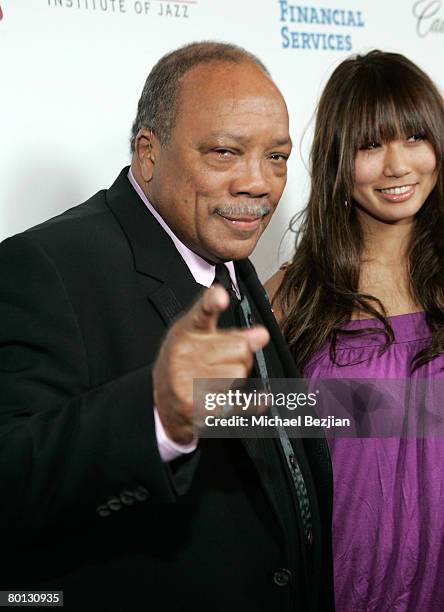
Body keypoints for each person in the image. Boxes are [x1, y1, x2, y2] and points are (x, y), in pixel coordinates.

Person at [0, 42, 334, 611]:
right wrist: (155, 414)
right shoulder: (44, 266)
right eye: (226, 153)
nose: (259, 183)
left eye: (277, 157)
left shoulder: (229, 258)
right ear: (148, 154)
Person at [266, 50, 444, 611]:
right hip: (335, 582)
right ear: (339, 161)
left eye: (415, 137)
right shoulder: (292, 294)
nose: (397, 166)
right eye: (371, 145)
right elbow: (216, 422)